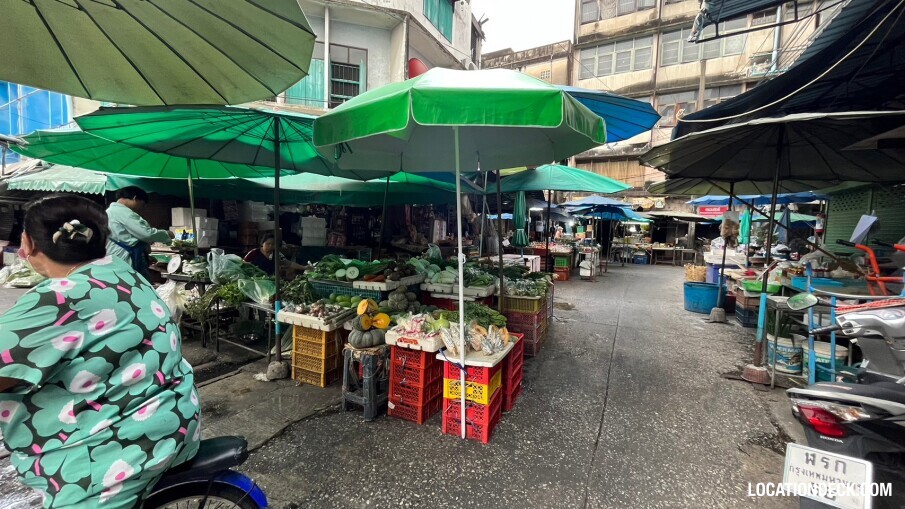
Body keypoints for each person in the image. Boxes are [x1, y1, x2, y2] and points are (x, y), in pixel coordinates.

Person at [0, 194, 200, 509]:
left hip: (116, 449)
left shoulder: (57, 299)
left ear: (28, 243)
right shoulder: (123, 271)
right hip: (175, 419)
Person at [106, 187, 174, 279]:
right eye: (142, 204)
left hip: (116, 256)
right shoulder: (123, 212)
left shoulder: (110, 212)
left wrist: (145, 255)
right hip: (126, 258)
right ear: (135, 198)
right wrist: (166, 234)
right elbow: (146, 234)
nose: (140, 208)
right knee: (131, 285)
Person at [243, 234, 309, 276]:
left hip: (270, 280)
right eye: (268, 244)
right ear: (262, 243)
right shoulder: (254, 252)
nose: (270, 246)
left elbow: (288, 263)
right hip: (254, 279)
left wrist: (304, 267)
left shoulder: (277, 254)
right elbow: (243, 263)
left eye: (273, 244)